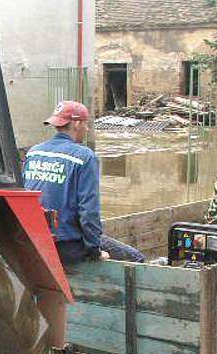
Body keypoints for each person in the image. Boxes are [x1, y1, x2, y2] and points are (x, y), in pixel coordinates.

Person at [23, 100, 145, 265]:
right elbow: (89, 212)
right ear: (77, 123)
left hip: (35, 241)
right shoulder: (84, 157)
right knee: (135, 258)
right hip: (66, 246)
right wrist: (94, 251)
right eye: (86, 124)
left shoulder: (33, 152)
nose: (87, 129)